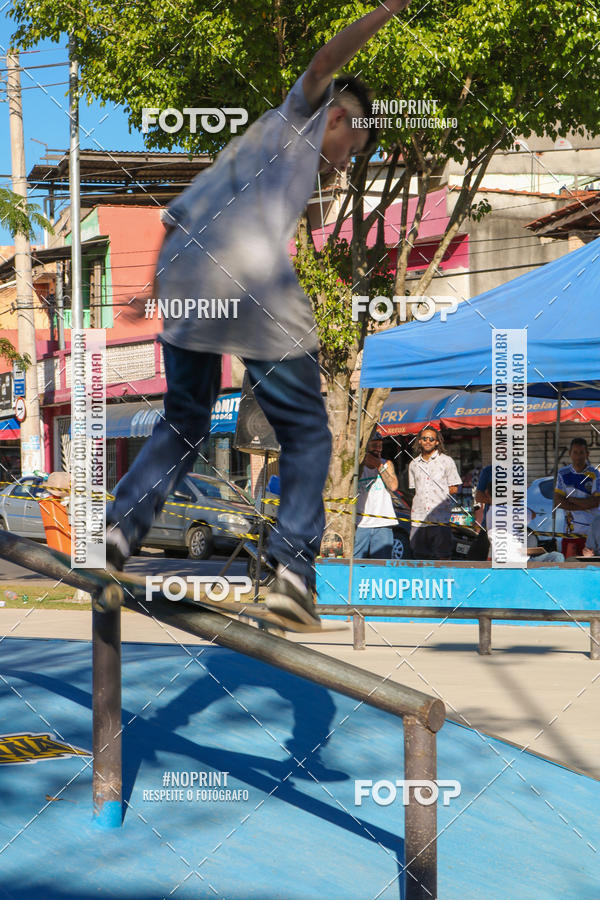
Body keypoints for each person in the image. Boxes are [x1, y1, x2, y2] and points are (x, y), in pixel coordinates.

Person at [106, 0, 413, 626]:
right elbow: (326, 60)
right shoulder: (301, 116)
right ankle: (293, 574)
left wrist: (149, 292)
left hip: (184, 275)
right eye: (352, 148)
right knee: (308, 432)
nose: (344, 163)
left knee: (185, 421)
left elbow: (176, 220)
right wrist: (388, 10)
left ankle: (117, 532)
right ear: (338, 118)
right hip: (248, 275)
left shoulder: (242, 152)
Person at [408, 427, 461, 559]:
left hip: (440, 519)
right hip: (419, 519)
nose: (428, 441)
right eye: (424, 438)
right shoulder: (413, 464)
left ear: (437, 442)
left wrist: (440, 496)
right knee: (419, 558)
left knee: (443, 558)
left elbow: (454, 488)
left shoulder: (446, 461)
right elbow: (415, 489)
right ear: (419, 441)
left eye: (431, 439)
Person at [354, 437, 398, 559]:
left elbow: (393, 486)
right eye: (374, 445)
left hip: (383, 523)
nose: (378, 449)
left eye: (380, 445)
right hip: (360, 523)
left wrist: (379, 466)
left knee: (381, 563)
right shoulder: (357, 467)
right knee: (357, 561)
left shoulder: (386, 464)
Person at [554, 437, 600, 553]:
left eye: (581, 452)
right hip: (570, 534)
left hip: (591, 534)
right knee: (570, 564)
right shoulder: (562, 473)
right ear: (570, 453)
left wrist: (570, 499)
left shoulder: (595, 474)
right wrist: (585, 504)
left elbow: (595, 502)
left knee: (591, 565)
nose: (578, 456)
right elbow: (558, 502)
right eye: (575, 452)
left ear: (587, 454)